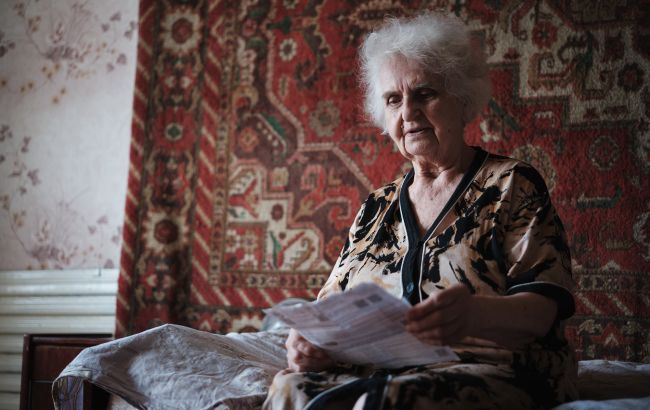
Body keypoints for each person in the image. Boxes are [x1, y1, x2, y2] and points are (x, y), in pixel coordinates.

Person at [263, 12, 578, 410]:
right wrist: (308, 345)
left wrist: (474, 315)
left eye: (425, 94)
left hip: (494, 369)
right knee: (290, 387)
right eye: (393, 100)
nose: (408, 112)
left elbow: (543, 311)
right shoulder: (376, 207)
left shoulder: (512, 184)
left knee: (396, 399)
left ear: (462, 100)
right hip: (383, 371)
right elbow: (326, 315)